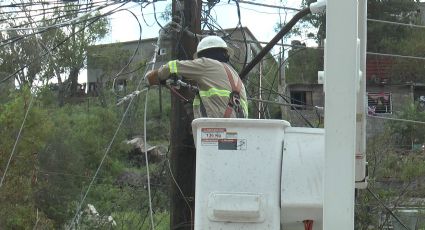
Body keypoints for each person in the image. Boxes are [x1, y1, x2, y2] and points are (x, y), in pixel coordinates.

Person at [145, 35, 248, 119]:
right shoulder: (234, 74)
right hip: (239, 132)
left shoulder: (206, 64)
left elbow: (171, 67)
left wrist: (154, 77)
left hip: (217, 132)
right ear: (226, 54)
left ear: (202, 54)